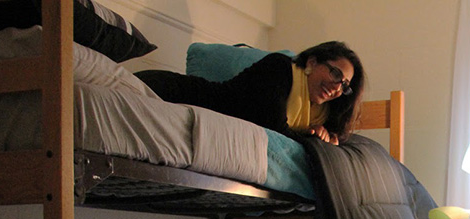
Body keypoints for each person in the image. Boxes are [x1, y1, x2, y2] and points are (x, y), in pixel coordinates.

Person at [135, 41, 365, 145]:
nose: (337, 87)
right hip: (173, 92)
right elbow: (272, 126)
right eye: (335, 74)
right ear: (312, 62)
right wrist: (312, 138)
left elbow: (335, 137)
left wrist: (325, 136)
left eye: (344, 85)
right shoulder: (280, 67)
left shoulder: (319, 115)